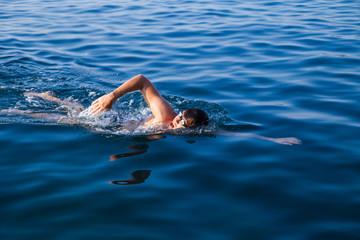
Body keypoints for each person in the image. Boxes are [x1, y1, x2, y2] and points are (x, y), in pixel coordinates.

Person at [90, 74, 209, 129]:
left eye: (182, 123)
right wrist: (111, 96)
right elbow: (141, 80)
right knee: (75, 118)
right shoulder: (164, 114)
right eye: (180, 115)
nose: (177, 120)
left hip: (120, 126)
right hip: (113, 122)